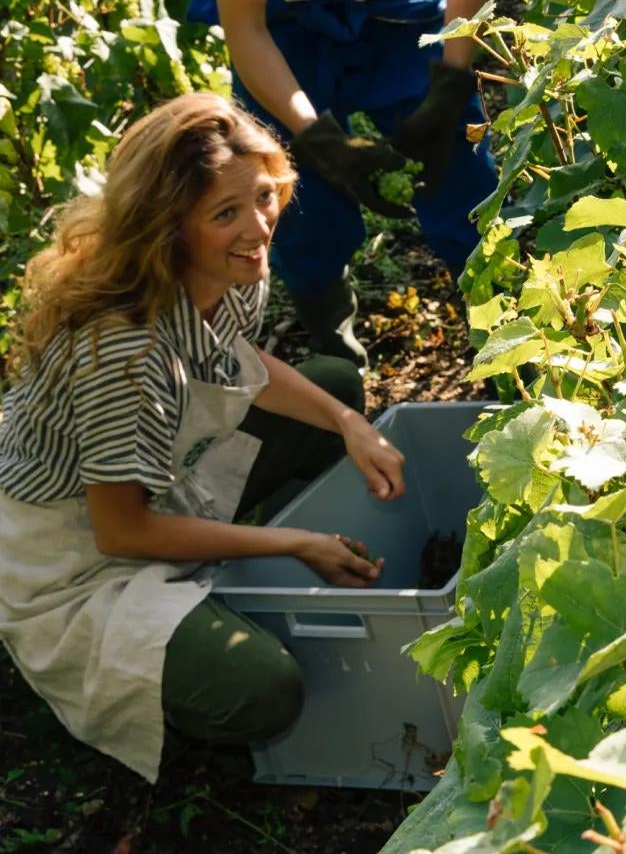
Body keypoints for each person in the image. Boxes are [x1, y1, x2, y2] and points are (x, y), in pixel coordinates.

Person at [0, 94, 408, 783]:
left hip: (153, 473)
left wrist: (351, 423)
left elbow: (236, 362)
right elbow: (122, 531)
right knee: (263, 692)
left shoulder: (229, 264)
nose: (258, 226)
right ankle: (120, 666)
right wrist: (295, 542)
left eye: (265, 196)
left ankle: (219, 571)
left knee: (334, 387)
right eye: (226, 213)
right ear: (168, 227)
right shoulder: (120, 352)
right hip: (75, 553)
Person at [184, 0, 502, 368]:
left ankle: (504, 332)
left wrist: (453, 79)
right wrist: (313, 133)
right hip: (285, 18)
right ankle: (334, 344)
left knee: (459, 164)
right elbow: (246, 26)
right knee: (294, 193)